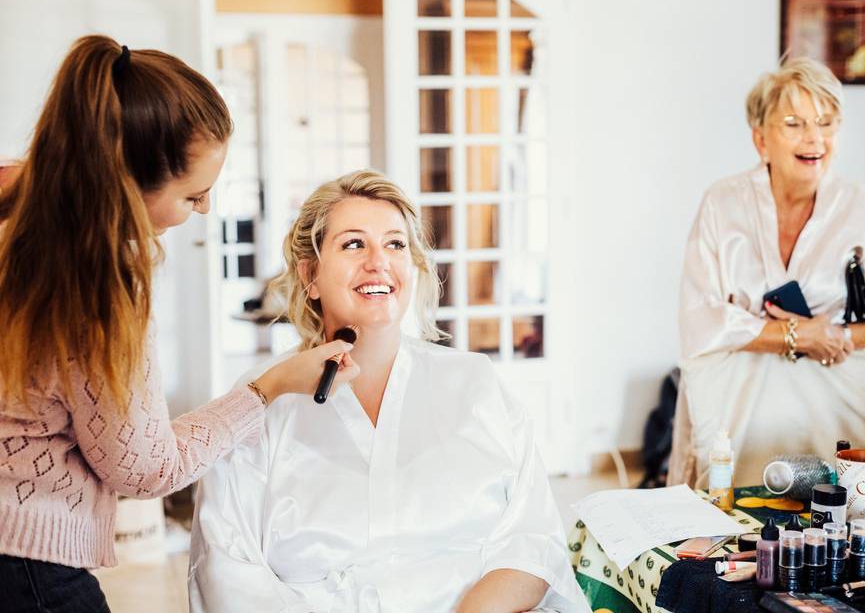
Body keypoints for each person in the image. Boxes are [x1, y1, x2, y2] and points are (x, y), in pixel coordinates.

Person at [0, 36, 355, 612]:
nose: (207, 209)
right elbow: (146, 469)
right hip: (27, 572)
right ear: (123, 180)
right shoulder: (96, 289)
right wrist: (267, 389)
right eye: (194, 196)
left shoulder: (14, 200)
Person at [188, 170, 589, 613]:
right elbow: (227, 573)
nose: (379, 261)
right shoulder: (262, 401)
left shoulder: (475, 383)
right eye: (353, 244)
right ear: (311, 275)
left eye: (396, 244)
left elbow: (532, 540)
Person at [667, 58, 865, 488]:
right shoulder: (722, 204)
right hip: (738, 407)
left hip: (837, 409)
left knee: (839, 520)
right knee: (735, 524)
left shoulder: (862, 206)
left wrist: (836, 338)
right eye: (794, 123)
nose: (815, 138)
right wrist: (799, 337)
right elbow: (700, 317)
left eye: (826, 122)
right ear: (761, 139)